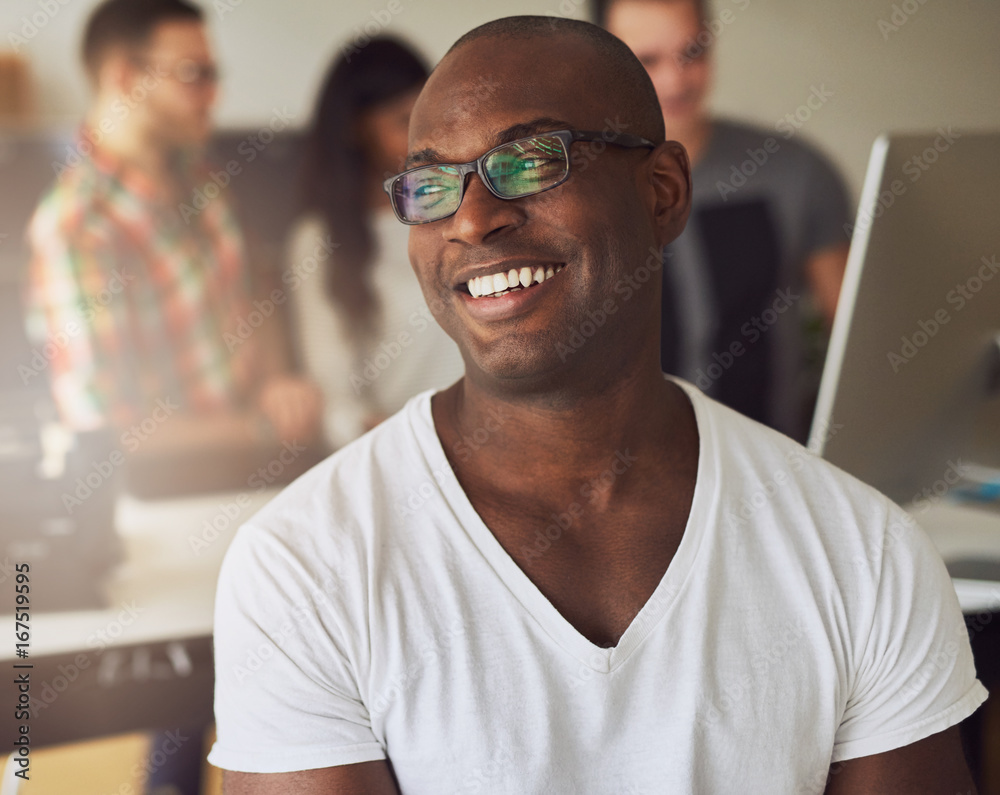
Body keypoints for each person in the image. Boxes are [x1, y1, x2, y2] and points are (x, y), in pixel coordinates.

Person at [209, 16, 986, 794]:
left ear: (663, 193)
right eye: (432, 185)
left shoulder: (865, 553)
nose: (473, 219)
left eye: (530, 161)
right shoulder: (303, 564)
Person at [24, 0, 322, 494]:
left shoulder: (200, 176)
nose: (214, 94)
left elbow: (256, 285)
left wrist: (277, 383)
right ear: (124, 77)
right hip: (168, 494)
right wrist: (264, 427)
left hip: (263, 469)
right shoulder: (77, 229)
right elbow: (112, 430)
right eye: (194, 75)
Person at [598, 0, 853, 442]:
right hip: (625, 471)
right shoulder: (578, 187)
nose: (677, 80)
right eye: (648, 60)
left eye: (692, 53)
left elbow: (856, 334)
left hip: (771, 462)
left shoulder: (794, 170)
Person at [288, 37, 464, 449]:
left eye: (431, 117)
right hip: (405, 452)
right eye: (405, 121)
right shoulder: (320, 242)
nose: (425, 139)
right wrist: (411, 445)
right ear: (355, 130)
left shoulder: (465, 209)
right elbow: (337, 400)